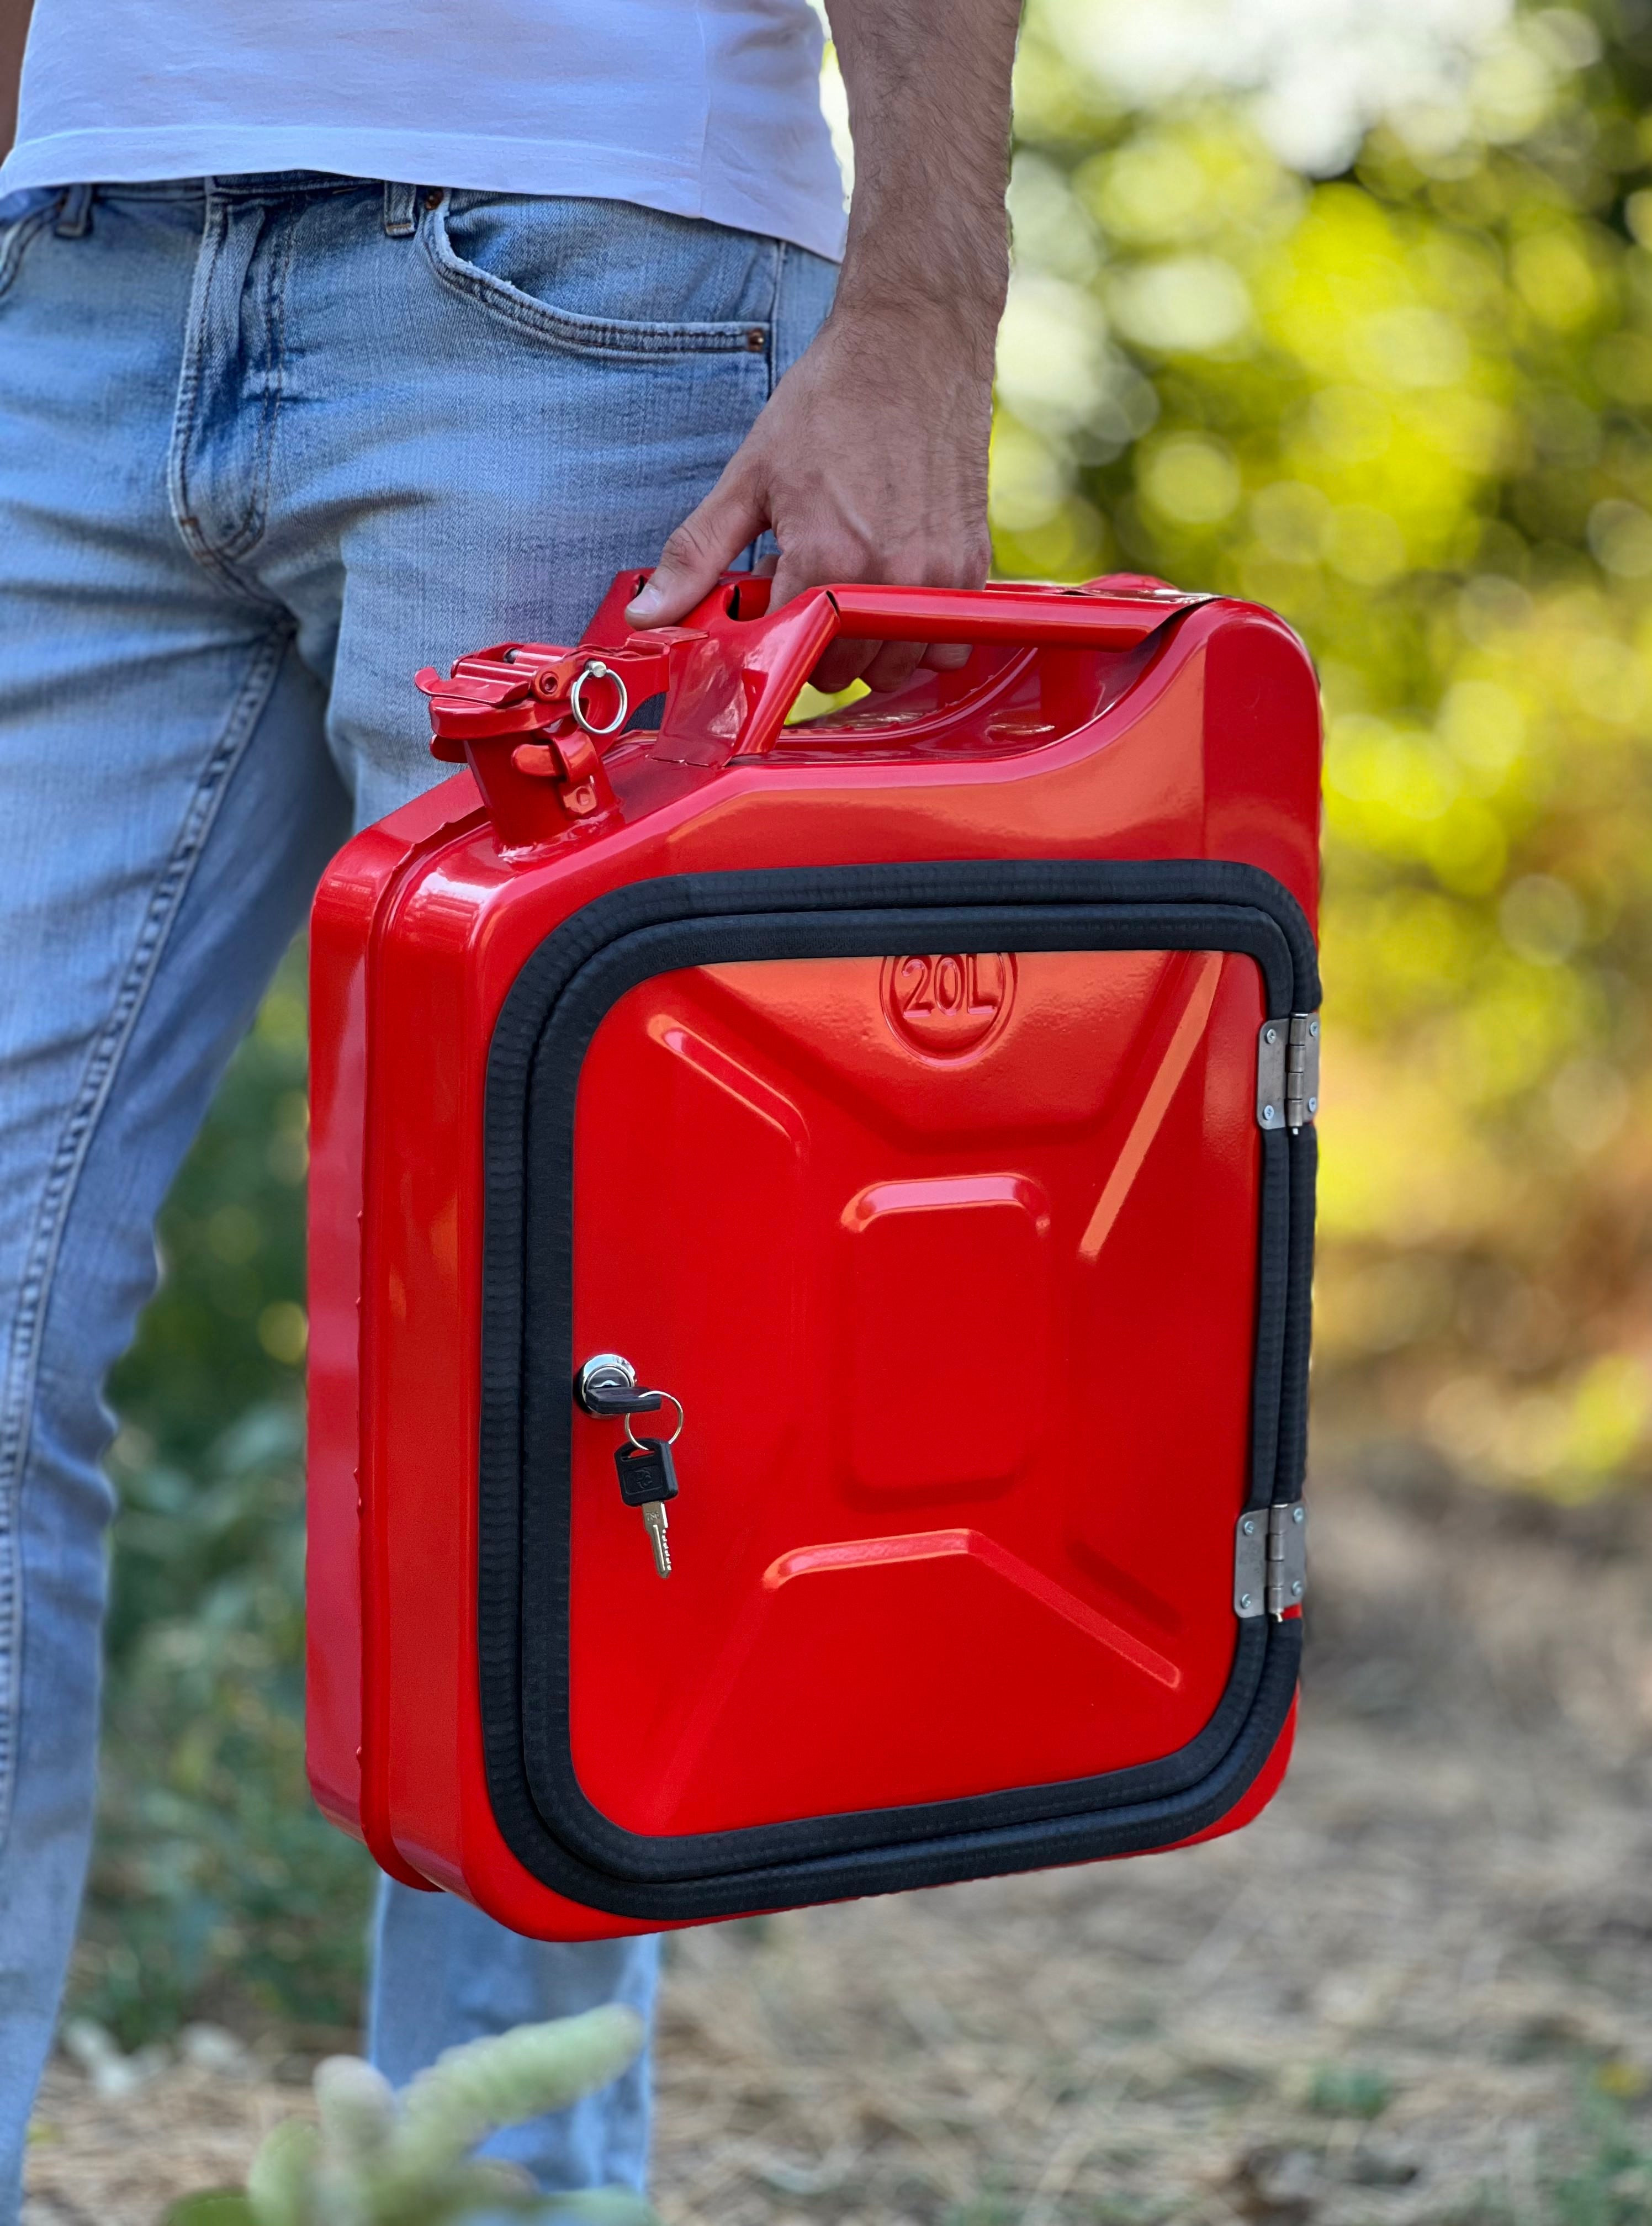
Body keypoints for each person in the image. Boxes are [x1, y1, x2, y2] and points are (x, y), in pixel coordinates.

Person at [0, 0, 1021, 2211]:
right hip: (66, 267)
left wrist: (927, 310)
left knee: (547, 1367)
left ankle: (500, 2187)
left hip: (586, 275)